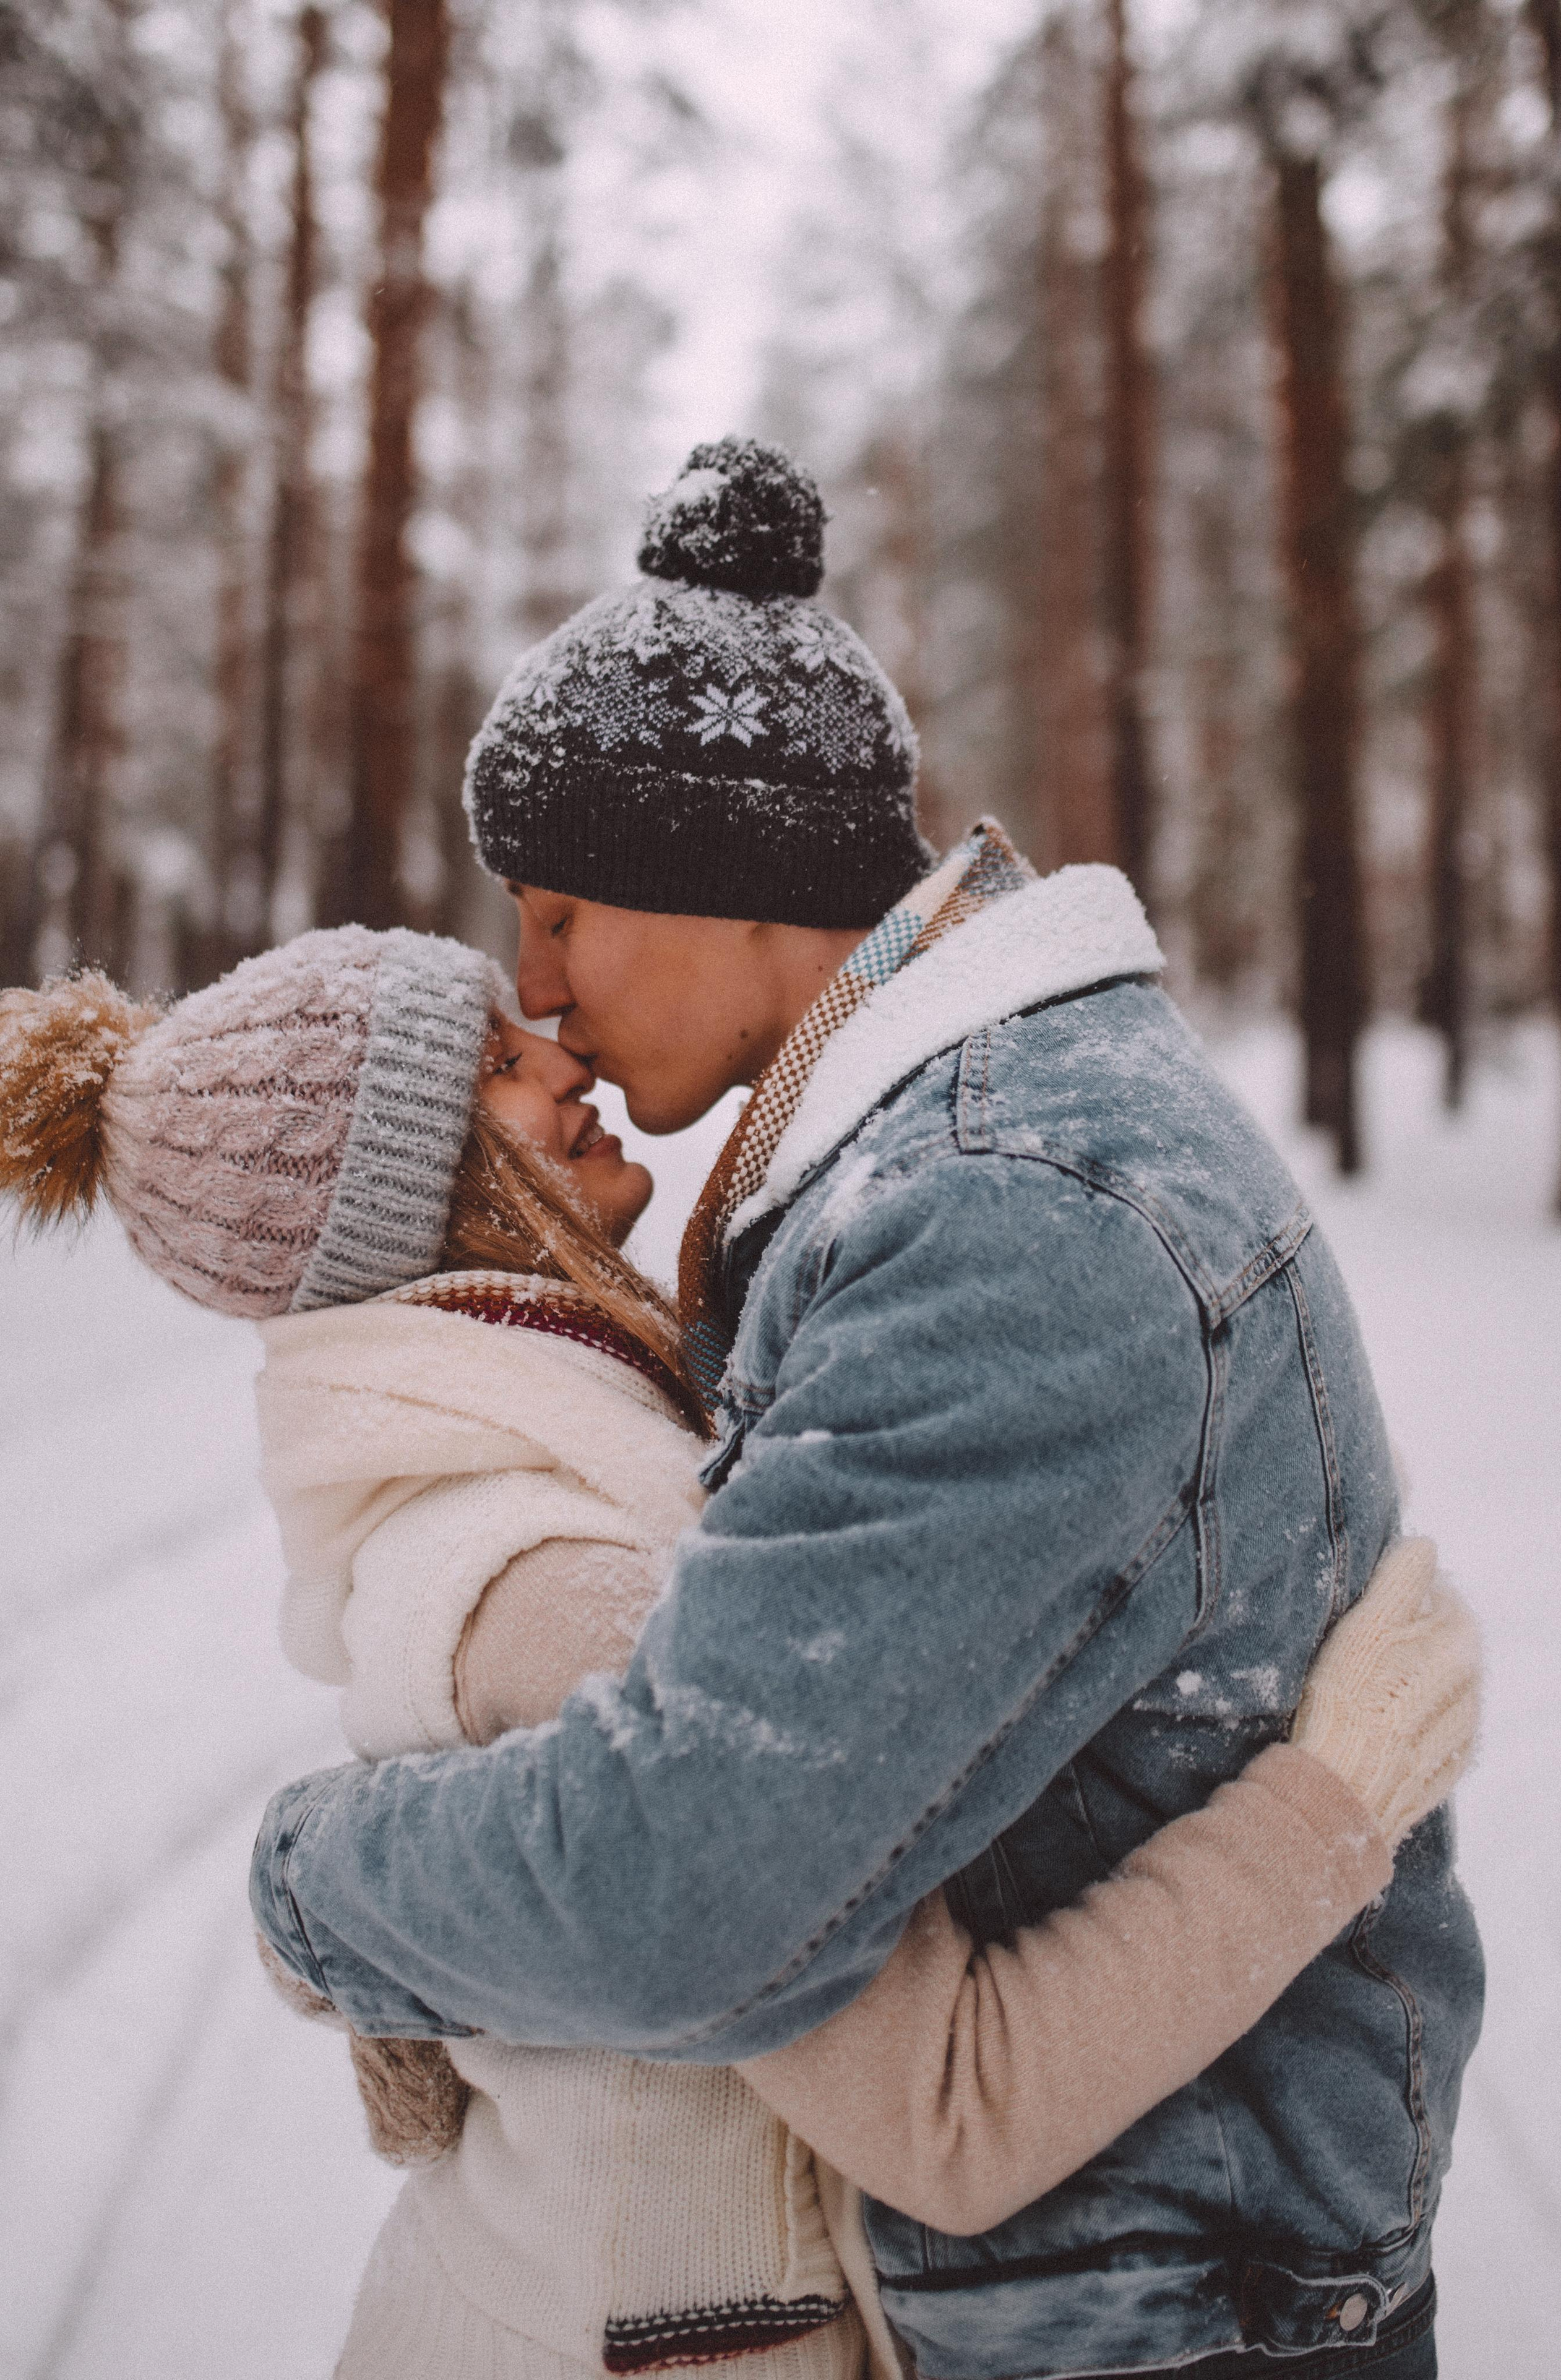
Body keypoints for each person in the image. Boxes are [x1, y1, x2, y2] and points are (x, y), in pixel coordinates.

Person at [230, 434, 1486, 2378]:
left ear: (731, 886)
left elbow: (691, 1889)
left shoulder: (1009, 1218)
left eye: (561, 912)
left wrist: (310, 1884)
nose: (534, 986)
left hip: (1176, 2315)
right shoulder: (947, 1158)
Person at [0, 932, 1474, 2380]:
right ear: (417, 1198)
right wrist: (1328, 1808)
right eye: (498, 1067)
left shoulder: (531, 1455)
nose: (564, 1055)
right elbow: (951, 2115)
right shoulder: (563, 1571)